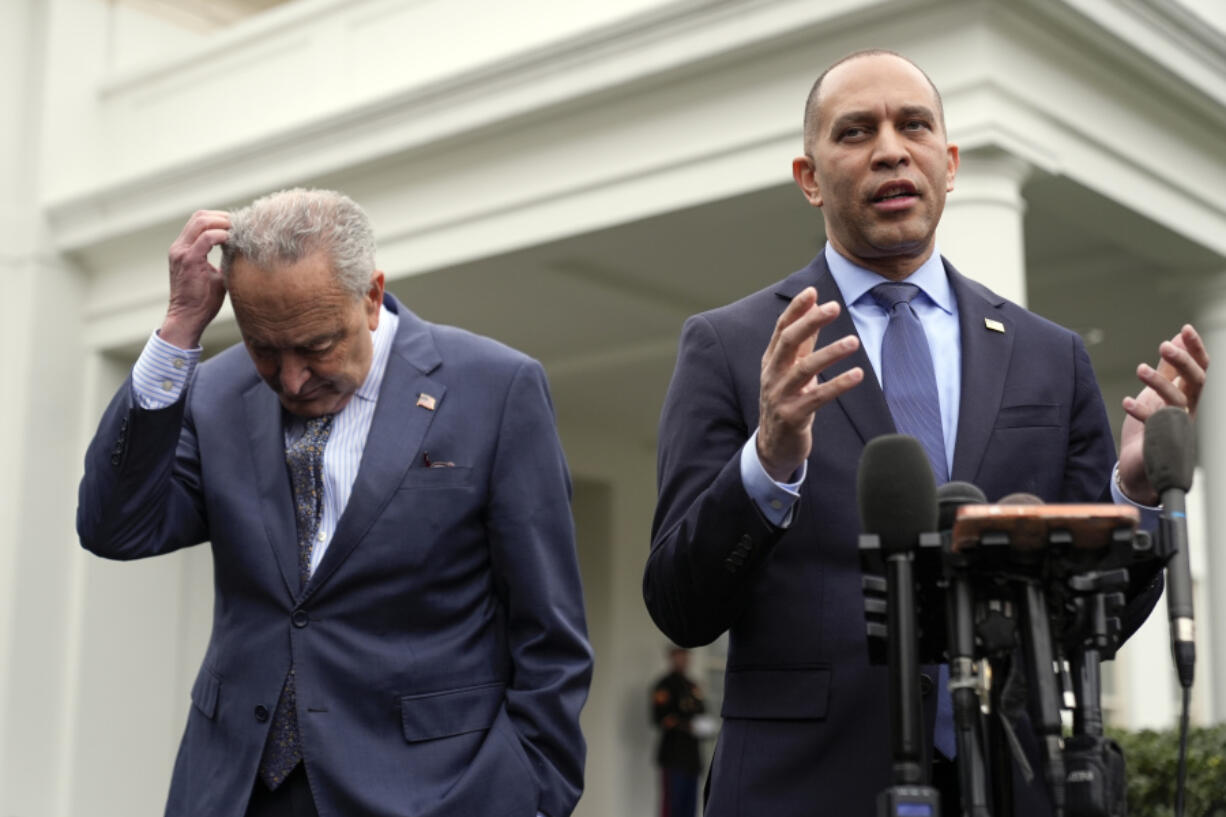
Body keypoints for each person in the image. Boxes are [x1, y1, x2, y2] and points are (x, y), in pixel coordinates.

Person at [643, 50, 1209, 816]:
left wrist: (1131, 495)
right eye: (855, 131)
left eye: (913, 126)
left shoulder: (1049, 355)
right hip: (802, 787)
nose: (888, 148)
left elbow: (1091, 626)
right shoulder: (735, 346)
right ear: (809, 177)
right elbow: (681, 605)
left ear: (948, 164)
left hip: (1012, 783)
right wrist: (767, 464)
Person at [77, 189, 592, 817]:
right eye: (265, 347)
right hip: (232, 790)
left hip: (429, 793)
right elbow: (115, 528)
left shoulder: (496, 388)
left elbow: (550, 634)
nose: (292, 379)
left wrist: (531, 798)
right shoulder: (213, 390)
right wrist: (179, 328)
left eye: (316, 345)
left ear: (371, 297)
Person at [651, 647, 707, 817]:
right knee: (672, 807)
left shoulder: (693, 686)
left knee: (690, 808)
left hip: (692, 757)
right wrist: (686, 725)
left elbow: (702, 713)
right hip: (674, 757)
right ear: (672, 657)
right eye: (680, 656)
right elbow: (660, 719)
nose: (684, 660)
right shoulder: (664, 685)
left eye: (686, 656)